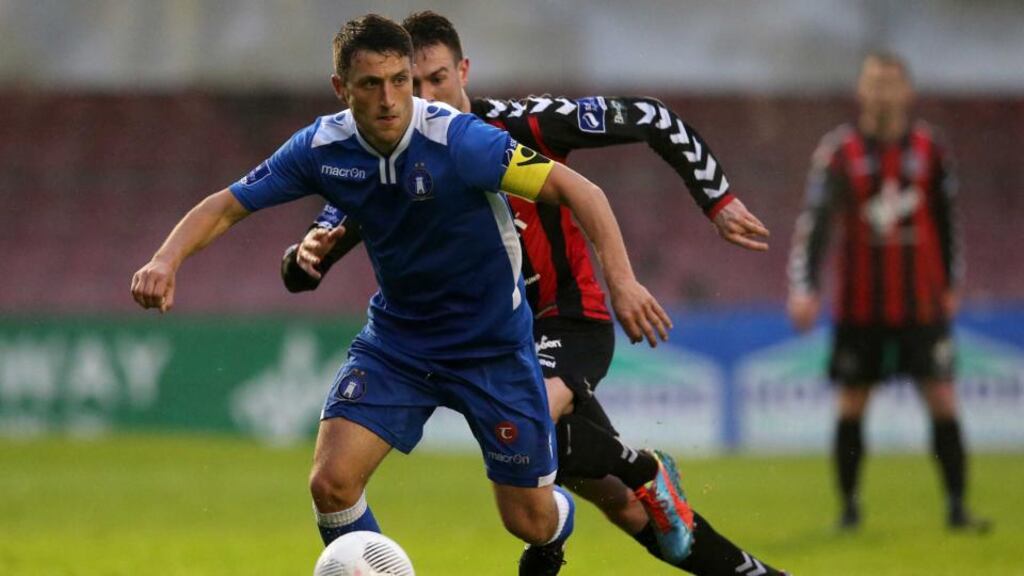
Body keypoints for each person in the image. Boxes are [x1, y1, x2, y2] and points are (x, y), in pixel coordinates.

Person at [130, 13, 676, 568]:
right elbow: (227, 204)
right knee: (331, 484)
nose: (391, 99)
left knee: (528, 520)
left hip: (492, 348)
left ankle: (556, 528)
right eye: (372, 84)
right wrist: (165, 259)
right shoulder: (322, 147)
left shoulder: (459, 140)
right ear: (341, 89)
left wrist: (623, 281)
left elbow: (581, 191)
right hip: (400, 343)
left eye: (400, 81)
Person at [283, 11, 788, 576]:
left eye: (437, 79)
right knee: (612, 502)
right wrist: (304, 256)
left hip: (565, 321)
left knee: (545, 431)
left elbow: (652, 117)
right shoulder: (390, 156)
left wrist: (715, 199)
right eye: (411, 82)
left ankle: (641, 472)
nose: (422, 96)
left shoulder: (517, 128)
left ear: (464, 70)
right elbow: (306, 266)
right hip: (488, 338)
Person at [787, 52, 989, 532]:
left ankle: (957, 508)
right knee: (853, 401)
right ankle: (849, 510)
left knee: (942, 395)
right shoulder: (838, 151)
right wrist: (805, 287)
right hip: (861, 305)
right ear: (860, 91)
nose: (881, 92)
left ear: (907, 91)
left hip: (921, 301)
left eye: (890, 83)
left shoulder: (930, 149)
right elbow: (814, 225)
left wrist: (953, 283)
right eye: (873, 82)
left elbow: (947, 221)